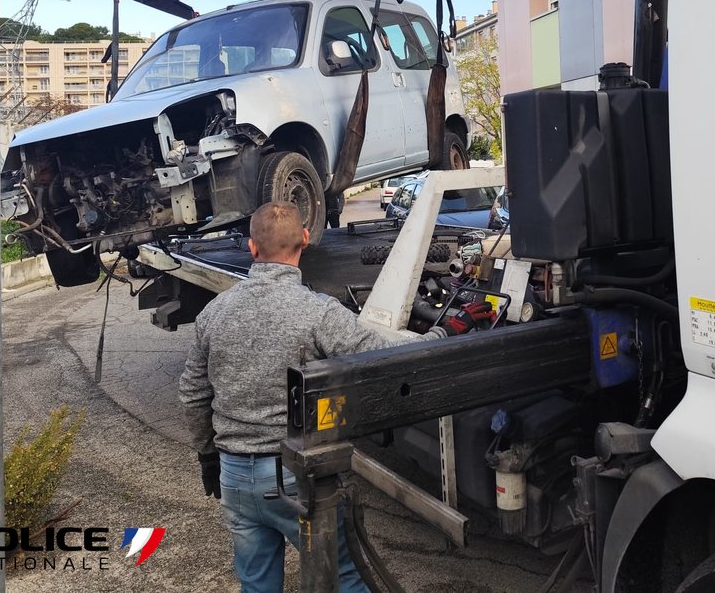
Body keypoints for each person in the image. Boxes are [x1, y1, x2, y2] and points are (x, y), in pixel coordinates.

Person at [179, 201, 492, 593]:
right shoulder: (319, 314)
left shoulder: (214, 312)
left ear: (251, 248)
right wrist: (445, 332)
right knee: (344, 577)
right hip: (296, 479)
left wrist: (208, 456)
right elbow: (387, 361)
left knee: (256, 584)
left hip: (235, 477)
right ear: (305, 239)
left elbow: (192, 393)